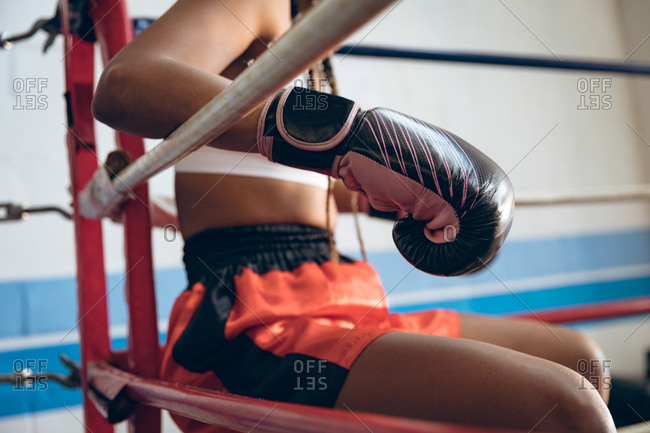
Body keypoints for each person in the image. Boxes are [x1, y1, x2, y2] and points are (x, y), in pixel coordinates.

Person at [91, 0, 616, 432]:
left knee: (581, 361)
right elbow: (124, 85)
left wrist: (417, 195)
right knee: (568, 407)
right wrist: (343, 139)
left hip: (339, 290)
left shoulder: (310, 35)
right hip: (252, 317)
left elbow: (291, 185)